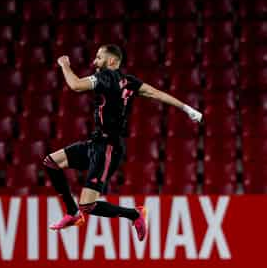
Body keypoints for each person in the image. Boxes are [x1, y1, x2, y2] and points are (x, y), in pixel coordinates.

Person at [42, 44, 202, 241]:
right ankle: (72, 212)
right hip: (95, 143)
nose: (94, 62)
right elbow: (157, 93)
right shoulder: (129, 82)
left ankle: (134, 214)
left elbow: (75, 85)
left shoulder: (105, 77)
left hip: (107, 148)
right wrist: (187, 109)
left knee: (88, 206)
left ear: (111, 61)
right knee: (51, 162)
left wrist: (64, 65)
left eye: (98, 58)